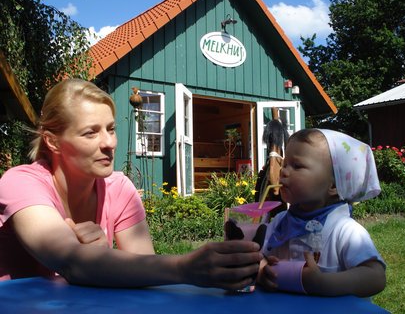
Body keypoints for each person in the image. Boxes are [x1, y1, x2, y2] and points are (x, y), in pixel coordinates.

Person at [0, 78, 262, 288]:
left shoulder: (120, 188)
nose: (110, 143)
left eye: (111, 129)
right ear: (53, 141)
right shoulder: (20, 183)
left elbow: (146, 271)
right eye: (91, 132)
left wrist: (102, 257)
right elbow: (72, 262)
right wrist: (185, 267)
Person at [257, 128, 386, 297]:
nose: (284, 171)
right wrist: (261, 270)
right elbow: (258, 256)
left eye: (297, 166)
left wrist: (324, 283)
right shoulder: (280, 221)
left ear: (333, 185)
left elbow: (376, 277)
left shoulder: (345, 230)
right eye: (285, 164)